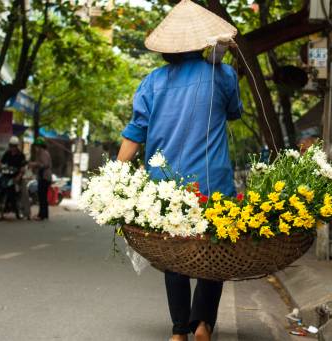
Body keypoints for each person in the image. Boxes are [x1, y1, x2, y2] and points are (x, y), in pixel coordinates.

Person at [116, 1, 241, 340]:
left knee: (176, 255)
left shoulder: (152, 82)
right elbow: (234, 112)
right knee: (214, 252)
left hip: (165, 185)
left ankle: (178, 331)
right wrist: (220, 62)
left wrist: (113, 178)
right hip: (212, 180)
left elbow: (134, 134)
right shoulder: (223, 75)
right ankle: (203, 323)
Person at [0, 136, 26, 216]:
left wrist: (18, 176)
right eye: (11, 145)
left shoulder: (21, 155)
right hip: (6, 175)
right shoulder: (7, 153)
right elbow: (0, 163)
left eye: (14, 146)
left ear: (17, 146)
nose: (12, 148)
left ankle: (16, 208)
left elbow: (22, 168)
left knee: (12, 191)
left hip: (15, 177)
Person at [28, 137, 52, 221]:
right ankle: (43, 214)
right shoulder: (41, 153)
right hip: (43, 177)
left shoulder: (43, 153)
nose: (36, 148)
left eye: (37, 146)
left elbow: (45, 164)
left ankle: (42, 215)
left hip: (45, 177)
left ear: (40, 146)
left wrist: (34, 164)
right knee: (42, 197)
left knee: (42, 197)